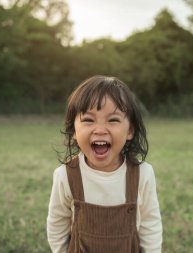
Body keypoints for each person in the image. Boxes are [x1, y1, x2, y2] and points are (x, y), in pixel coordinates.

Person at [47, 75, 162, 253]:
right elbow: (57, 223)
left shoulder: (142, 174)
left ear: (130, 130)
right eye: (88, 120)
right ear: (74, 131)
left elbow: (150, 224)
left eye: (113, 120)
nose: (100, 130)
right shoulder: (66, 175)